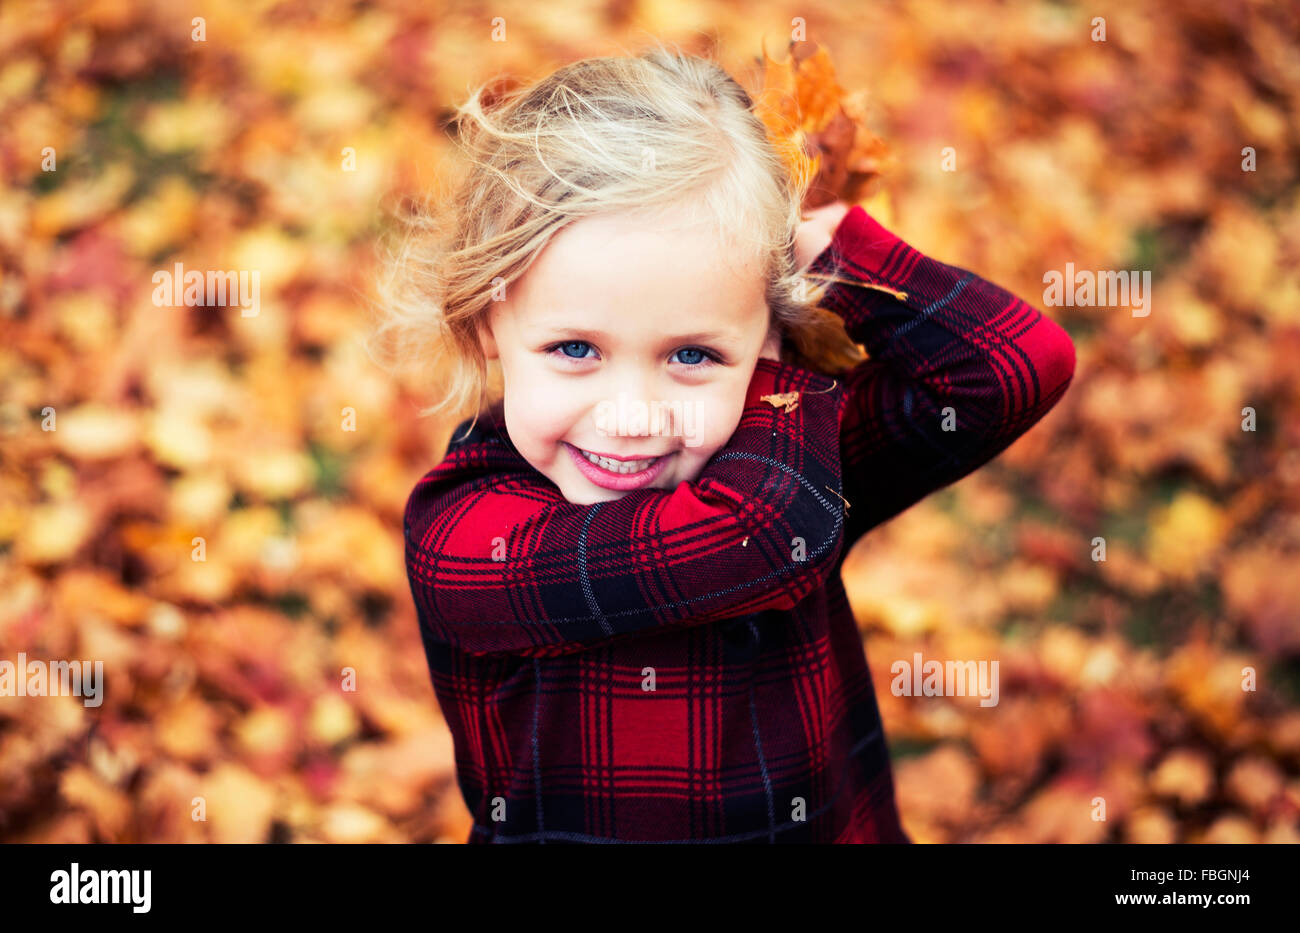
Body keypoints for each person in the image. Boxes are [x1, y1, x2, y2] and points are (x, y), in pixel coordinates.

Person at [380, 44, 1076, 843]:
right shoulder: (464, 534)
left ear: (763, 336)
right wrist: (768, 363)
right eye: (575, 349)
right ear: (484, 323)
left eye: (692, 354)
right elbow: (758, 534)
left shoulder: (791, 463)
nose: (633, 416)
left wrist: (832, 249)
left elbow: (1015, 366)